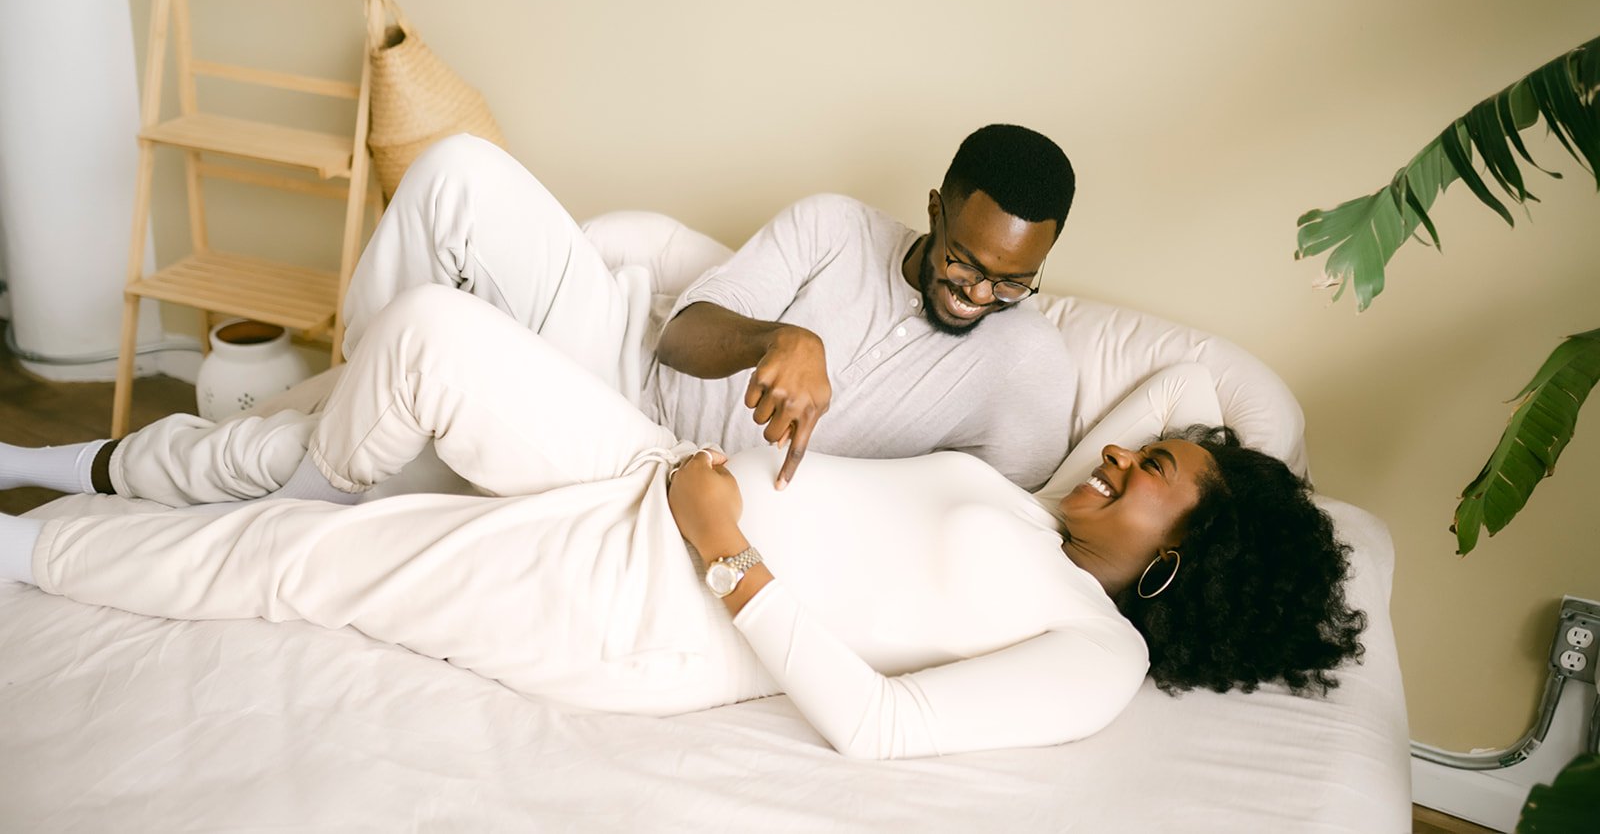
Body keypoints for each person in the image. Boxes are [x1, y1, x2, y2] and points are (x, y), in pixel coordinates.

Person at [0, 286, 1365, 760]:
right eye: (1132, 444)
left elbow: (884, 727)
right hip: (655, 466)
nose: (1121, 449)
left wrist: (726, 547)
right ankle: (290, 467)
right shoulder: (1045, 509)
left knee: (301, 567)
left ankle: (24, 537)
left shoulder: (1093, 648)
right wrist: (1196, 454)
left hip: (649, 601)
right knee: (425, 336)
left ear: (1186, 558)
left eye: (1154, 466)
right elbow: (1200, 387)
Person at [339, 124, 1079, 490]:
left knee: (440, 329)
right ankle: (353, 408)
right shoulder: (836, 227)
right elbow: (681, 336)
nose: (979, 294)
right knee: (456, 169)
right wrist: (780, 338)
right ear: (933, 211)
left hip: (657, 466)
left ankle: (351, 436)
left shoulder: (1028, 367)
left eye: (1012, 281)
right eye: (963, 261)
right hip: (619, 360)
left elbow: (1009, 522)